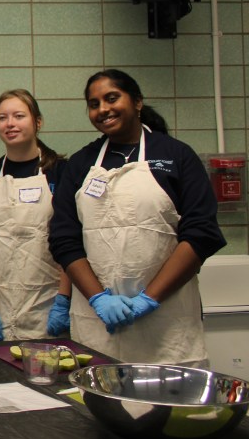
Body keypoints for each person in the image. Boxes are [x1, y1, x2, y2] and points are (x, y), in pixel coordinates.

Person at [49, 69, 224, 366]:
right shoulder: (80, 165)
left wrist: (150, 298)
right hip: (99, 324)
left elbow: (200, 234)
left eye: (112, 98)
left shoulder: (177, 156)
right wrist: (98, 299)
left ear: (138, 102)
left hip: (168, 326)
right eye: (94, 104)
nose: (103, 109)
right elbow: (64, 240)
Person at [0, 89, 71, 341]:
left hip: (51, 298)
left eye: (18, 116)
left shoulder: (62, 172)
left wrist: (64, 298)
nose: (10, 123)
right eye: (2, 118)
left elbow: (71, 240)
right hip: (2, 299)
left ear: (38, 122)